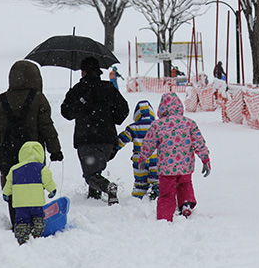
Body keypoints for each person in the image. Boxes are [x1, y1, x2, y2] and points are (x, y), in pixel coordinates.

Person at [0, 60, 63, 228]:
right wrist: (55, 150)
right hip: (33, 152)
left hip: (8, 152)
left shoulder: (1, 100)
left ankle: (17, 220)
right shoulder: (38, 98)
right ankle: (35, 219)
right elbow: (46, 126)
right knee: (33, 184)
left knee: (13, 185)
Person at [61, 56, 129, 205]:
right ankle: (94, 198)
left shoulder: (78, 90)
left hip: (86, 139)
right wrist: (113, 118)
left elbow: (66, 113)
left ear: (83, 72)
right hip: (107, 140)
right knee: (95, 168)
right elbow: (123, 110)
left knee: (90, 174)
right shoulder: (109, 88)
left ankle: (107, 187)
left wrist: (75, 101)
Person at [138, 92, 210, 221]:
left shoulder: (157, 125)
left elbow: (148, 143)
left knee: (166, 193)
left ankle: (165, 217)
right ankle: (186, 204)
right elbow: (199, 142)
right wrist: (205, 159)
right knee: (185, 184)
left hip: (167, 168)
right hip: (185, 165)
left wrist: (143, 157)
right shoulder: (189, 123)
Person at [1, 141, 57, 245]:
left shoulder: (14, 169)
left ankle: (22, 235)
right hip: (36, 202)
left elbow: (9, 184)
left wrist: (6, 194)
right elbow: (48, 181)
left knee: (22, 219)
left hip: (20, 203)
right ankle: (37, 233)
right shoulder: (41, 168)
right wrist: (52, 190)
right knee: (38, 217)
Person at [116, 100, 159, 200]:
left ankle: (138, 197)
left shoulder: (133, 127)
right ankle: (156, 192)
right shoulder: (158, 126)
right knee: (156, 179)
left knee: (140, 182)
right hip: (156, 158)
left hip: (139, 159)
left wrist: (115, 146)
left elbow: (123, 139)